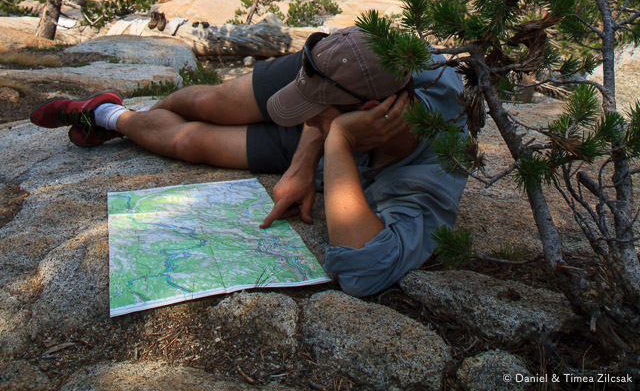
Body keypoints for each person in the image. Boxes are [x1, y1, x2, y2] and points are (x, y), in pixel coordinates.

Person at [30, 25, 467, 296]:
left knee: (190, 145)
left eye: (326, 118)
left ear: (375, 111)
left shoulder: (433, 170)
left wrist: (338, 141)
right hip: (326, 82)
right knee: (211, 100)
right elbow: (354, 56)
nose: (306, 120)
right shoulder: (393, 62)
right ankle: (136, 114)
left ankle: (107, 114)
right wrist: (306, 153)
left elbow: (365, 273)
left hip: (338, 129)